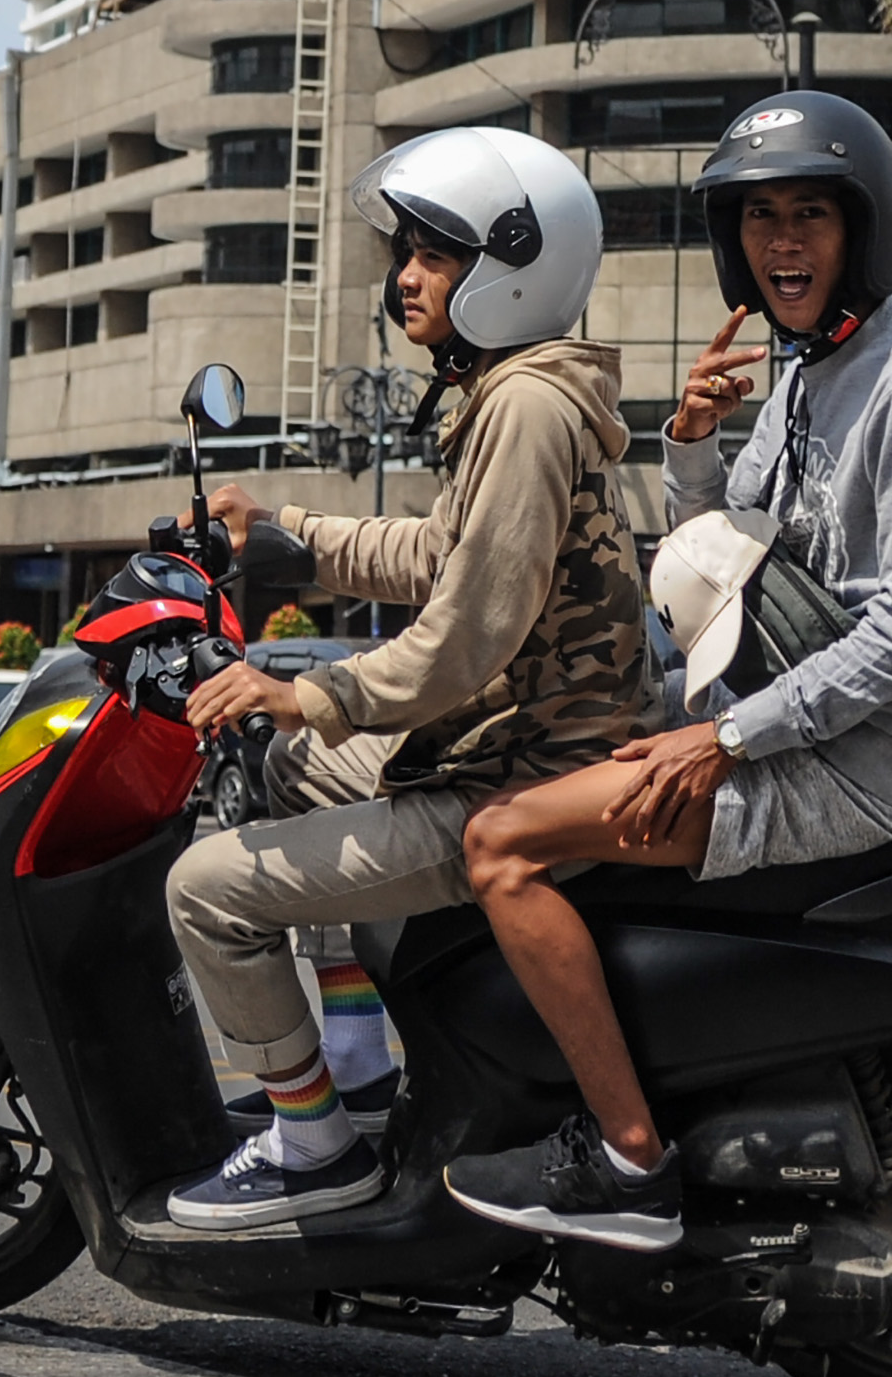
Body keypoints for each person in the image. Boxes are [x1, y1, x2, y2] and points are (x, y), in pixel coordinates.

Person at [448, 93, 892, 1252]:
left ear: (863, 228)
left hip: (853, 759)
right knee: (517, 764)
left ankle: (627, 1158)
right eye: (758, 216)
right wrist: (691, 439)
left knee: (498, 843)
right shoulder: (808, 369)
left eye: (808, 214)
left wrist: (723, 740)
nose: (780, 241)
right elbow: (716, 554)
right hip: (768, 706)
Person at [160, 128, 653, 1229]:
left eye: (436, 255)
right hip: (507, 746)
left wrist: (308, 692)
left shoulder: (526, 409)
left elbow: (465, 634)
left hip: (524, 777)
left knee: (202, 888)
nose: (407, 278)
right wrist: (285, 531)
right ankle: (354, 1057)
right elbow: (441, 552)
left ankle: (311, 1142)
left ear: (513, 266)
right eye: (408, 253)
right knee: (292, 769)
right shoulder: (516, 392)